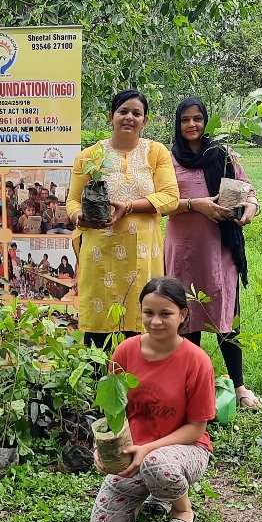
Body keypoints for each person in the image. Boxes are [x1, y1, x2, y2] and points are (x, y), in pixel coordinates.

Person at [90, 277, 217, 522]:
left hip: (186, 450)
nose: (156, 321)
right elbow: (115, 412)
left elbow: (197, 427)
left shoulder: (197, 361)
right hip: (134, 451)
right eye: (149, 313)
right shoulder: (125, 352)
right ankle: (152, 493)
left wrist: (148, 449)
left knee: (157, 465)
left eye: (165, 314)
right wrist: (103, 449)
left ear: (182, 315)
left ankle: (182, 510)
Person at [164, 96, 262, 409]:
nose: (191, 125)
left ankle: (240, 386)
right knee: (186, 316)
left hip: (219, 250)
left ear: (206, 121)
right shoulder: (168, 159)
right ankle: (186, 386)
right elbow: (161, 203)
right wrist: (198, 205)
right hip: (184, 251)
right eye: (184, 120)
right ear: (177, 125)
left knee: (227, 317)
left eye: (197, 118)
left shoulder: (221, 153)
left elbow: (248, 191)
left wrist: (250, 209)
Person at [67, 90, 179, 345]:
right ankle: (95, 381)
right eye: (123, 112)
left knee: (140, 324)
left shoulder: (156, 152)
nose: (129, 117)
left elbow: (170, 197)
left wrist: (128, 206)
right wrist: (80, 217)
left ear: (145, 121)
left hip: (142, 254)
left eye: (136, 113)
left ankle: (136, 383)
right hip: (101, 254)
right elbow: (72, 200)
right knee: (98, 328)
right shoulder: (89, 156)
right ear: (111, 117)